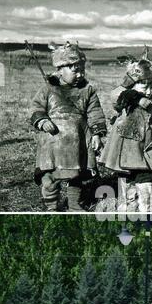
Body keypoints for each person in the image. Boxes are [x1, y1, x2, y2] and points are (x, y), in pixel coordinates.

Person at [99, 55, 152, 212]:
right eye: (145, 87)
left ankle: (145, 208)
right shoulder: (124, 98)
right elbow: (116, 95)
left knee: (145, 179)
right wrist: (136, 98)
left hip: (144, 147)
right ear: (132, 84)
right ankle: (128, 207)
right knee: (125, 180)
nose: (150, 91)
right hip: (123, 147)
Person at [30, 41, 107, 211]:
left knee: (76, 175)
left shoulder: (88, 90)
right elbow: (36, 108)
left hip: (79, 140)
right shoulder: (48, 89)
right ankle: (52, 206)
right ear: (59, 69)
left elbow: (95, 112)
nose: (79, 74)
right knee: (50, 177)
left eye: (82, 70)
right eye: (74, 70)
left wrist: (96, 134)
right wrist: (43, 121)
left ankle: (74, 204)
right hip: (53, 142)